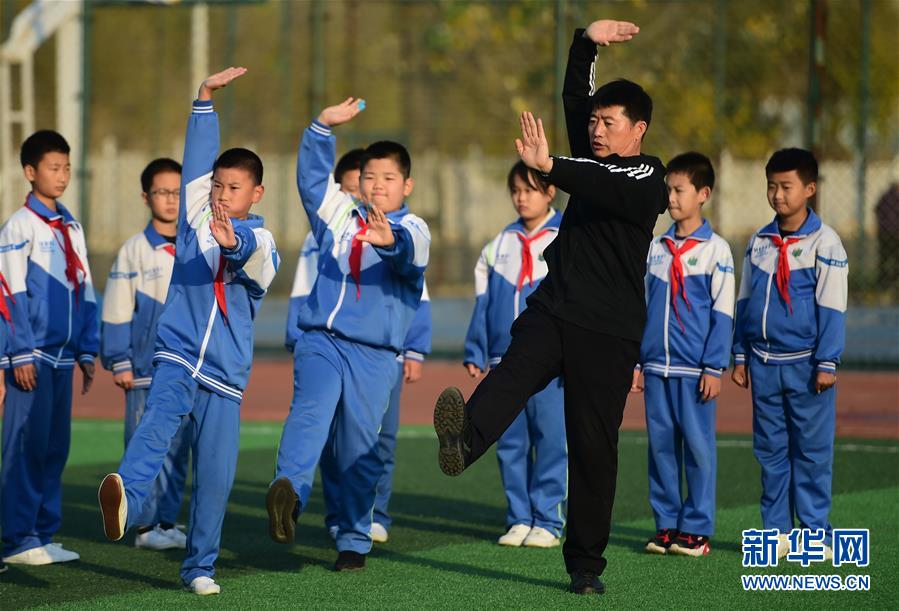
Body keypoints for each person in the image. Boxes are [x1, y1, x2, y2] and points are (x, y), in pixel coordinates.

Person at [432, 19, 668, 595]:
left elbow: (606, 184)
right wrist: (585, 39)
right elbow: (573, 97)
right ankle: (464, 443)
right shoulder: (586, 160)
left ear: (637, 130)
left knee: (593, 447)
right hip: (556, 307)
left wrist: (551, 166)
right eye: (593, 123)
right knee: (512, 373)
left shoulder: (647, 173)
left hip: (608, 330)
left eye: (607, 123)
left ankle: (585, 566)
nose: (595, 129)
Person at [98, 67, 280, 596]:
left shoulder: (264, 241)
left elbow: (256, 263)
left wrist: (234, 243)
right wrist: (203, 101)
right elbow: (198, 164)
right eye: (218, 185)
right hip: (176, 355)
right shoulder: (196, 220)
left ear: (257, 192)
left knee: (216, 480)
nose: (223, 192)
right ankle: (126, 500)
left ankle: (200, 566)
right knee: (156, 424)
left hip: (224, 377)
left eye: (235, 186)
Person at [267, 97, 430, 572]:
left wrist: (390, 242)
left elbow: (410, 253)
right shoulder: (340, 216)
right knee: (309, 415)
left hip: (375, 356)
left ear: (407, 185)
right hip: (321, 341)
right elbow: (312, 182)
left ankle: (354, 539)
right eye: (369, 178)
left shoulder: (414, 226)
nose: (377, 187)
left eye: (388, 179)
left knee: (360, 447)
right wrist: (320, 127)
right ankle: (290, 496)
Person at [731, 147, 847, 559]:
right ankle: (777, 532)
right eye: (771, 186)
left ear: (810, 189)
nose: (777, 195)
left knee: (812, 454)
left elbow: (831, 305)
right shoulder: (759, 242)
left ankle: (815, 533)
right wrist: (740, 354)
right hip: (763, 365)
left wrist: (827, 360)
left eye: (786, 186)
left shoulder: (825, 242)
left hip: (806, 365)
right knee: (771, 452)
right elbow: (744, 300)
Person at [0, 130, 98, 566]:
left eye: (66, 168)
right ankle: (16, 538)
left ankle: (42, 531)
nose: (62, 176)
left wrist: (88, 349)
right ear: (30, 172)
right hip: (33, 356)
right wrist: (18, 351)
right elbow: (9, 293)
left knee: (55, 447)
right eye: (53, 168)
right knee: (25, 446)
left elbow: (86, 290)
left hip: (63, 356)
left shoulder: (71, 226)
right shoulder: (19, 227)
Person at [630, 152, 734, 557]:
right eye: (667, 190)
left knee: (697, 448)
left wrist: (714, 366)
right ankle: (667, 524)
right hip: (656, 367)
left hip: (695, 370)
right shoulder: (654, 248)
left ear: (703, 194)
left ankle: (696, 528)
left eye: (679, 190)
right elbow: (641, 306)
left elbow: (723, 312)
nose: (670, 198)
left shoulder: (716, 251)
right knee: (660, 449)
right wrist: (637, 361)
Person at [463, 161, 567, 549]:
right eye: (516, 191)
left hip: (550, 365)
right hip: (504, 363)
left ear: (550, 193)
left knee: (552, 439)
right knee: (508, 442)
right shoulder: (498, 246)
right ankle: (519, 517)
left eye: (530, 190)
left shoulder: (565, 238)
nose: (522, 198)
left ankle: (548, 519)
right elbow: (482, 302)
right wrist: (477, 348)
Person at [101, 158, 190, 551]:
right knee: (144, 445)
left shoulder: (195, 244)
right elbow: (117, 308)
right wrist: (119, 358)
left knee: (178, 449)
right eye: (161, 192)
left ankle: (167, 521)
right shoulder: (135, 250)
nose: (170, 200)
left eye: (177, 191)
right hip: (143, 370)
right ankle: (143, 527)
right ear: (145, 196)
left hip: (185, 368)